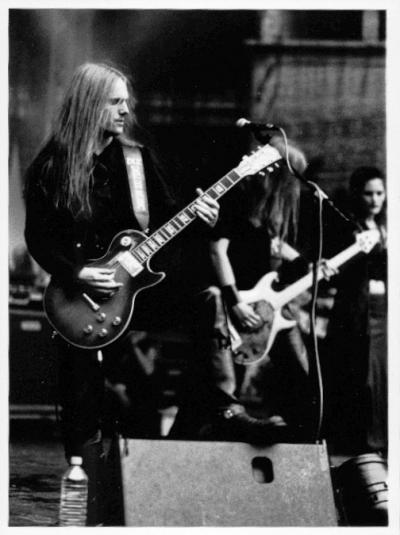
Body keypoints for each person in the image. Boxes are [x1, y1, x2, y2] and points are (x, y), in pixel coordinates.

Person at [23, 62, 219, 524]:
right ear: (90, 105)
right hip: (79, 300)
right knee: (81, 396)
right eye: (115, 102)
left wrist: (203, 218)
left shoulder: (136, 159)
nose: (126, 110)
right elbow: (38, 238)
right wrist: (77, 274)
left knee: (205, 303)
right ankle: (84, 490)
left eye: (126, 101)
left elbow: (169, 220)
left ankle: (193, 426)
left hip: (136, 294)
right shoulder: (52, 164)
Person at [170, 137, 316, 443]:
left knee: (206, 391)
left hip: (256, 300)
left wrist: (310, 265)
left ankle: (307, 423)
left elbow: (279, 248)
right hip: (228, 299)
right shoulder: (238, 199)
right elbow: (217, 252)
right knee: (213, 386)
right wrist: (235, 300)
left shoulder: (267, 216)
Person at [324, 166, 387, 455]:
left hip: (383, 310)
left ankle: (381, 440)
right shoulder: (346, 228)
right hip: (354, 310)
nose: (375, 200)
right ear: (357, 195)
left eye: (379, 193)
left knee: (381, 373)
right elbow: (335, 270)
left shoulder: (387, 227)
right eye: (368, 194)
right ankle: (356, 443)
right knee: (357, 372)